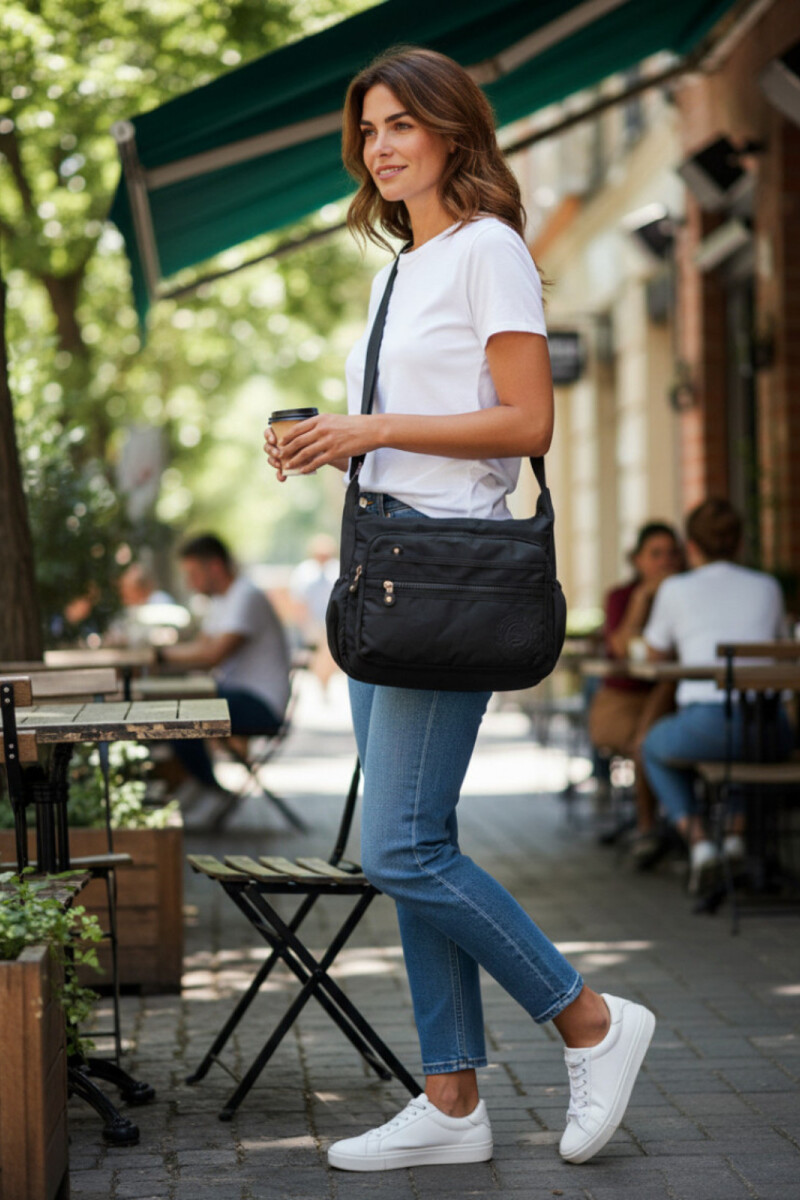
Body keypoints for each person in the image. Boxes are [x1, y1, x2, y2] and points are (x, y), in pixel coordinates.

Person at [264, 46, 655, 1172]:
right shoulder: (402, 266)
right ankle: (448, 1103)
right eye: (368, 129)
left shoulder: (488, 250)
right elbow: (411, 429)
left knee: (395, 844)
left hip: (451, 580)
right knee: (411, 844)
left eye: (401, 124)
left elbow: (525, 423)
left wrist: (374, 431)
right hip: (391, 571)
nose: (381, 145)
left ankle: (587, 1018)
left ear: (450, 131)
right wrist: (327, 445)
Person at [641, 499, 790, 893]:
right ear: (740, 543)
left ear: (691, 546)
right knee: (746, 746)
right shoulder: (767, 587)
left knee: (652, 745)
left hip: (707, 725)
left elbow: (655, 655)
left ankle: (700, 842)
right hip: (771, 728)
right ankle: (738, 836)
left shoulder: (675, 588)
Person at [159, 534, 291, 792]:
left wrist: (160, 656)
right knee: (172, 710)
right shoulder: (223, 599)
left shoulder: (246, 595)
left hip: (260, 705)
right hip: (240, 695)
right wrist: (163, 654)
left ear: (216, 566)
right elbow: (201, 646)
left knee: (175, 715)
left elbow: (212, 656)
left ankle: (208, 789)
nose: (190, 582)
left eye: (193, 573)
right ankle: (201, 786)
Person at [588, 522, 683, 864]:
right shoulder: (621, 596)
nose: (665, 562)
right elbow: (618, 648)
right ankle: (655, 825)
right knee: (647, 741)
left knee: (656, 736)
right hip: (623, 700)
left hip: (672, 696)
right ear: (638, 560)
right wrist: (644, 597)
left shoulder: (689, 593)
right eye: (656, 554)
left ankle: (658, 827)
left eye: (672, 553)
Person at [289, 533, 340, 693]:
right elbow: (298, 602)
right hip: (313, 624)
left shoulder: (336, 569)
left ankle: (324, 682)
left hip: (332, 622)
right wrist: (305, 625)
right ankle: (322, 683)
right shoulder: (304, 572)